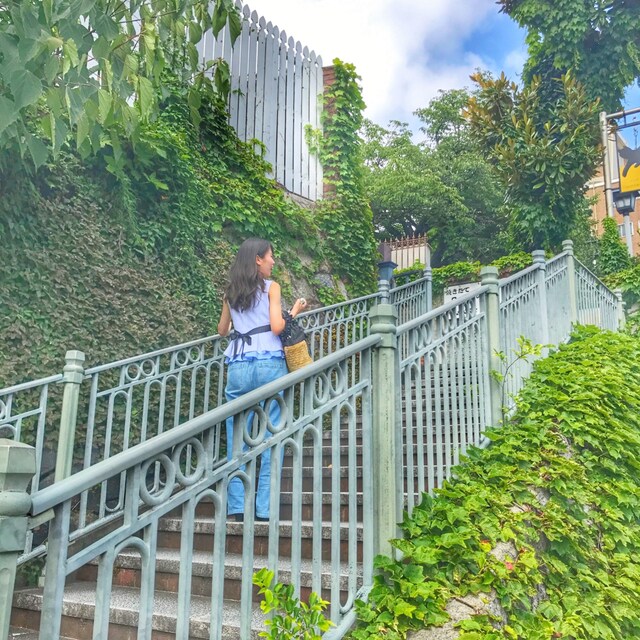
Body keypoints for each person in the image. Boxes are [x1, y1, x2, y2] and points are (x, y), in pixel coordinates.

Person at [217, 238, 307, 521]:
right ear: (258, 259)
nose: (273, 261)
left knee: (237, 438)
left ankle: (237, 507)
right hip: (269, 363)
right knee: (271, 436)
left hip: (239, 365)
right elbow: (277, 327)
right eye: (270, 256)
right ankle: (264, 510)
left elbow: (222, 330)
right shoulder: (271, 287)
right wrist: (294, 312)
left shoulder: (231, 291)